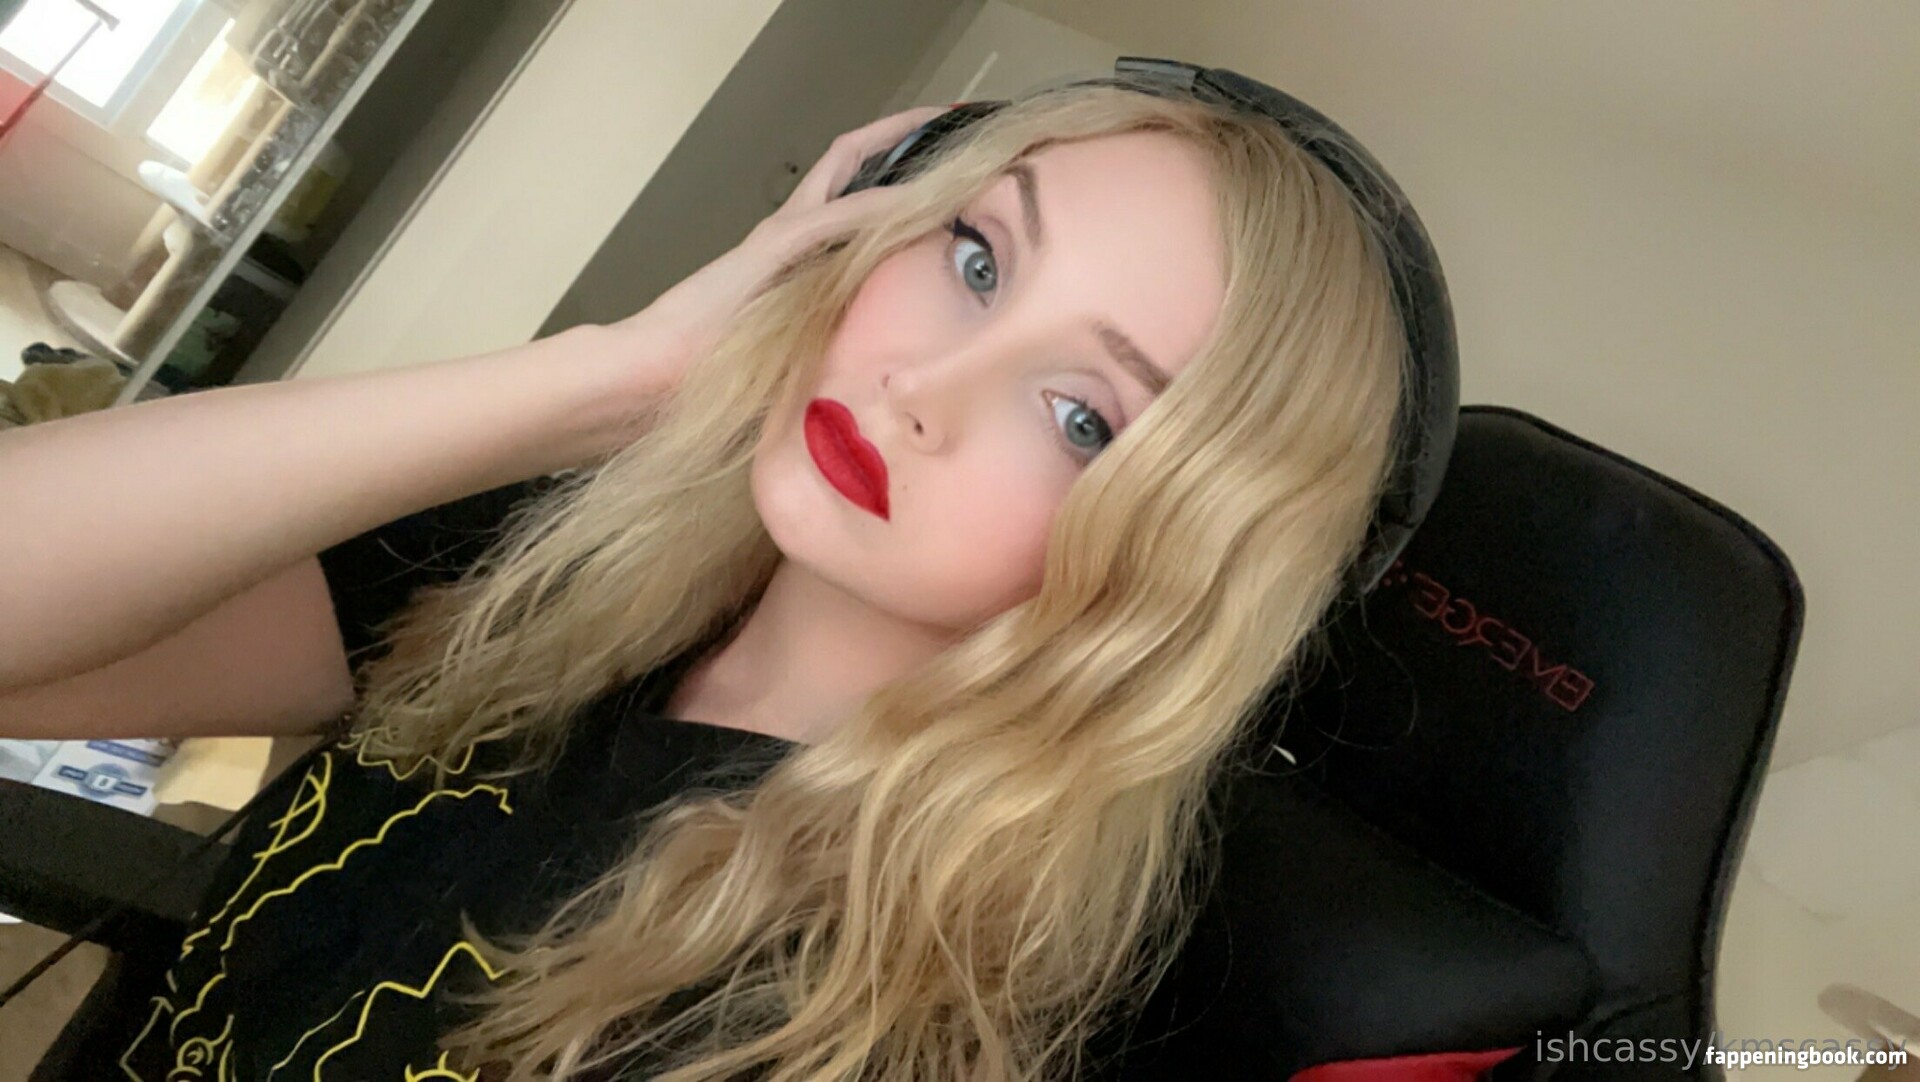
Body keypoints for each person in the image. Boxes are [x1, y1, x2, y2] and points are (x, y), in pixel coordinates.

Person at [0, 71, 1407, 1081]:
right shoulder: (558, 570)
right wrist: (612, 380)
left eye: (1083, 415)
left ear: (1178, 560)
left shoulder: (841, 1017)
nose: (924, 386)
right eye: (977, 257)